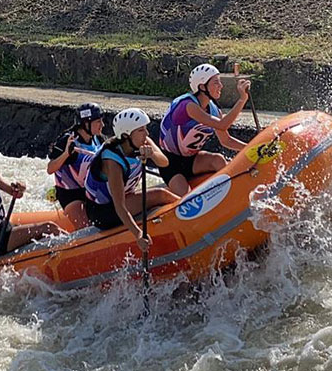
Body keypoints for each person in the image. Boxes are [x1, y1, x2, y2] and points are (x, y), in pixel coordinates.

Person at [83, 109, 179, 252]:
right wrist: (138, 234)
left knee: (161, 193)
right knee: (160, 195)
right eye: (141, 130)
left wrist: (151, 153)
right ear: (126, 135)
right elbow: (119, 206)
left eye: (145, 129)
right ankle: (194, 213)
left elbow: (164, 162)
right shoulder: (112, 162)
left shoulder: (141, 141)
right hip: (103, 212)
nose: (146, 134)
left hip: (124, 198)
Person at [158, 64, 251, 196]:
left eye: (220, 81)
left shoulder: (214, 110)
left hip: (192, 160)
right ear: (202, 87)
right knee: (187, 197)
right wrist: (242, 99)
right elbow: (223, 125)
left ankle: (232, 194)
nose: (221, 86)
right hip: (170, 163)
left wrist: (250, 148)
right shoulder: (188, 106)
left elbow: (226, 140)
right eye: (216, 82)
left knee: (218, 160)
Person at [46, 102, 105, 228]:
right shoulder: (68, 140)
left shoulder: (98, 139)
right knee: (87, 228)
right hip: (70, 194)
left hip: (91, 190)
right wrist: (66, 154)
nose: (102, 125)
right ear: (86, 124)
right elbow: (50, 169)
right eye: (98, 122)